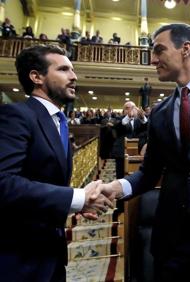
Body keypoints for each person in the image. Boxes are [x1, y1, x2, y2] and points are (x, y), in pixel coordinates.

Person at [96, 23, 190, 282]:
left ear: (186, 49)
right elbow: (148, 173)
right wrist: (116, 187)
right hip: (171, 245)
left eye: (159, 50)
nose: (152, 59)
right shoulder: (161, 112)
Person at [0, 45, 113, 282]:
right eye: (63, 69)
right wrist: (79, 198)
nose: (74, 76)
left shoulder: (59, 122)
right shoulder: (16, 116)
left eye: (72, 70)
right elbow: (4, 183)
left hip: (51, 252)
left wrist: (74, 205)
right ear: (36, 77)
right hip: (19, 258)